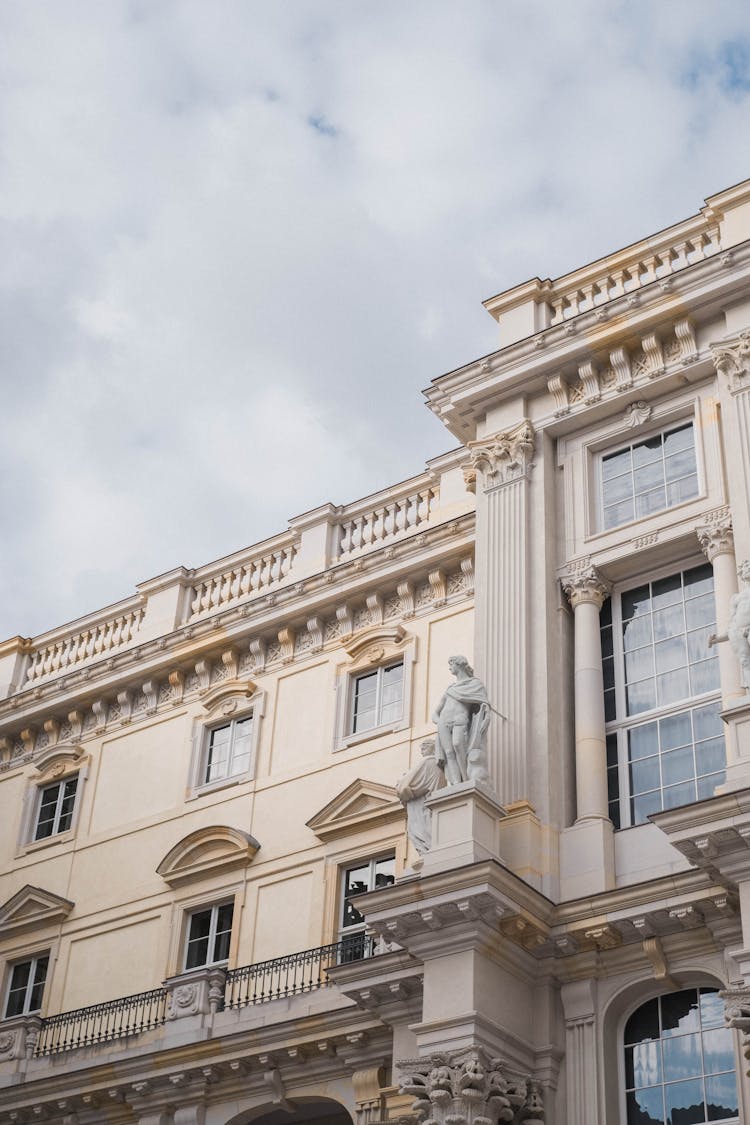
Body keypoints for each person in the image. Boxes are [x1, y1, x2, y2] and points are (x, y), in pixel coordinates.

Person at [432, 655, 491, 785]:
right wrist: (439, 722)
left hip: (460, 720)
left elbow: (484, 704)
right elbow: (435, 713)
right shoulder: (450, 689)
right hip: (443, 722)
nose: (449, 668)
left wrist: (486, 714)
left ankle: (466, 779)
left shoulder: (475, 684)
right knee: (449, 752)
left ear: (459, 664)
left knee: (459, 746)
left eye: (451, 664)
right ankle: (456, 783)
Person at [396, 739, 445, 854]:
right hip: (431, 812)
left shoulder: (428, 762)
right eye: (421, 747)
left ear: (433, 748)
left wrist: (400, 784)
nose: (422, 750)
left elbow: (405, 787)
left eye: (425, 747)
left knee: (422, 836)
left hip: (422, 811)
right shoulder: (439, 767)